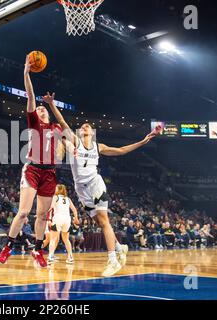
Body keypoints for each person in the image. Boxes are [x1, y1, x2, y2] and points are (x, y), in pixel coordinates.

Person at [44, 92, 156, 276]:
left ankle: (113, 260)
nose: (85, 126)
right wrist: (51, 104)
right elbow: (62, 122)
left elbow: (121, 150)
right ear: (80, 132)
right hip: (81, 189)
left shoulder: (99, 146)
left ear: (92, 132)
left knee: (104, 221)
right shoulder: (75, 141)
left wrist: (143, 141)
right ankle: (120, 247)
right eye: (82, 126)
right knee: (97, 221)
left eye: (88, 125)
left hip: (96, 183)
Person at [0, 56, 63, 267]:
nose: (40, 109)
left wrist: (74, 151)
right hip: (33, 169)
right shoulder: (34, 122)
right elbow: (31, 96)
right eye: (40, 108)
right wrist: (26, 73)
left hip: (50, 173)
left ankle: (37, 249)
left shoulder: (56, 129)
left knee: (42, 215)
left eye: (44, 109)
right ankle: (8, 246)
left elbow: (66, 136)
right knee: (24, 211)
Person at [47, 184, 79, 265]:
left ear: (59, 190)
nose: (54, 189)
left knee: (53, 239)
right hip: (67, 219)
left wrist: (47, 216)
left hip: (58, 218)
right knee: (66, 239)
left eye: (56, 188)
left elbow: (50, 207)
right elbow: (74, 210)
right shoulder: (68, 199)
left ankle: (50, 256)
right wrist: (76, 219)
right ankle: (70, 257)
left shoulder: (55, 197)